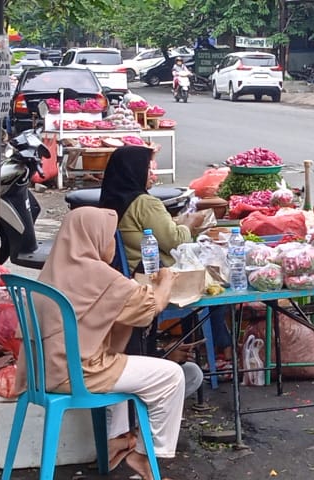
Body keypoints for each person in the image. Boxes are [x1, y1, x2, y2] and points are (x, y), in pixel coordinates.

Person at [34, 207, 184, 479]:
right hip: (77, 374)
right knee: (172, 376)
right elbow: (153, 307)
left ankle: (117, 439)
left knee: (117, 358)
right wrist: (166, 280)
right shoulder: (98, 274)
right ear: (95, 238)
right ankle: (145, 457)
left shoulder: (51, 271)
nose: (112, 244)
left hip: (42, 373)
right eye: (109, 237)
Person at [99, 146, 234, 374]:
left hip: (126, 276)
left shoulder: (111, 199)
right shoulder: (144, 203)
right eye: (149, 169)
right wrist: (190, 223)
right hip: (152, 280)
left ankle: (208, 349)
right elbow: (174, 240)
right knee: (220, 285)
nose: (153, 175)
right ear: (135, 171)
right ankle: (223, 351)